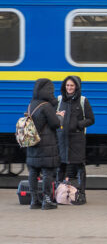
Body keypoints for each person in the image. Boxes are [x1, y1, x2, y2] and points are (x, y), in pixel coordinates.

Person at [55, 75, 95, 205]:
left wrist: (78, 125)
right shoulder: (59, 100)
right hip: (62, 138)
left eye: (72, 85)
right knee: (60, 165)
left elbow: (91, 119)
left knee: (79, 166)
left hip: (77, 139)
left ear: (76, 87)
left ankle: (81, 194)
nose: (69, 88)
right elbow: (54, 117)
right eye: (67, 85)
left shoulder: (83, 101)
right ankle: (58, 193)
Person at [25, 78, 62, 210]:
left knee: (33, 172)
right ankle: (47, 200)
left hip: (32, 143)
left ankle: (34, 201)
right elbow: (55, 124)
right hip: (46, 144)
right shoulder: (46, 106)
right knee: (47, 172)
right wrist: (59, 116)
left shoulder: (31, 104)